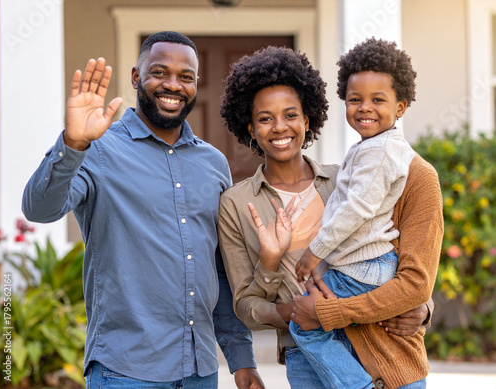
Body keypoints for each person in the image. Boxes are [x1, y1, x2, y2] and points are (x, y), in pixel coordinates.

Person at [22, 31, 264, 389]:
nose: (172, 85)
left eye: (185, 77)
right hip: (125, 370)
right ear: (136, 77)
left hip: (200, 371)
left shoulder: (213, 163)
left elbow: (220, 267)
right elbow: (39, 209)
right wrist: (73, 143)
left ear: (196, 84)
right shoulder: (98, 149)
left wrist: (242, 359)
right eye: (159, 72)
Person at [218, 45, 440, 389]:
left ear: (307, 120)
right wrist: (271, 266)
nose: (280, 128)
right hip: (305, 355)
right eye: (265, 118)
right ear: (250, 127)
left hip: (380, 345)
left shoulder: (350, 180)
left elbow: (399, 263)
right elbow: (246, 305)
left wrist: (424, 308)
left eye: (291, 115)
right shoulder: (236, 203)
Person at [291, 39, 444, 389]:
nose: (365, 108)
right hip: (315, 365)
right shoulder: (345, 167)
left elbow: (416, 285)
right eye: (355, 99)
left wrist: (327, 313)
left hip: (386, 365)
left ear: (401, 107)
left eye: (379, 99)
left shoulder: (417, 177)